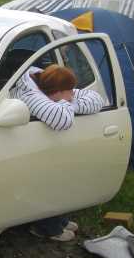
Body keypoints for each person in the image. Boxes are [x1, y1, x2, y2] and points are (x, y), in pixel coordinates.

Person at [10, 64, 104, 241]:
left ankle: (57, 220)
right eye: (68, 91)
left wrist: (69, 102)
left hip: (42, 148)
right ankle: (46, 227)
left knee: (60, 178)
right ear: (57, 91)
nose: (72, 94)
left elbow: (97, 99)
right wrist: (66, 103)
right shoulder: (30, 95)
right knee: (48, 182)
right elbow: (61, 119)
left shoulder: (49, 91)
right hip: (26, 150)